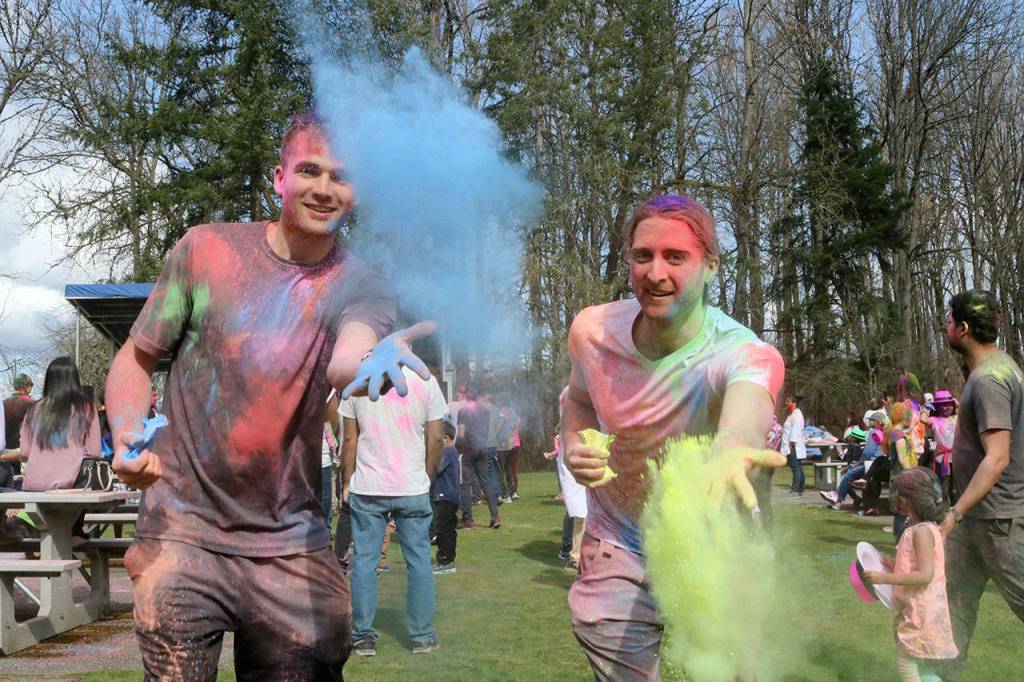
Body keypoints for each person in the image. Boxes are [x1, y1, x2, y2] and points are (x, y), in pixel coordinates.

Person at [105, 112, 434, 680]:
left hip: (291, 543)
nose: (325, 188)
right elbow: (136, 358)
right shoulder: (206, 251)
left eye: (342, 176)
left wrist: (372, 359)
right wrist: (129, 434)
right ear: (278, 178)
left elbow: (343, 363)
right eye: (309, 170)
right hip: (183, 531)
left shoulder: (364, 284)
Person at [563, 194, 785, 680]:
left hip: (714, 543)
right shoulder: (593, 332)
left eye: (675, 257)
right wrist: (576, 442)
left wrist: (731, 448)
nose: (655, 273)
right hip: (618, 542)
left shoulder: (743, 352)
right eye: (643, 256)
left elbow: (748, 406)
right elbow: (578, 398)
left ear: (710, 267)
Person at [937, 290, 1024, 681]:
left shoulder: (991, 378)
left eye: (950, 320)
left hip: (998, 520)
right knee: (952, 604)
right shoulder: (989, 371)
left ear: (964, 328)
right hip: (977, 520)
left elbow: (998, 456)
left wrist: (956, 512)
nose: (946, 326)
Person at [340, 365, 447, 656]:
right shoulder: (426, 381)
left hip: (368, 486)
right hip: (411, 486)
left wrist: (346, 481)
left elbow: (349, 440)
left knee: (364, 562)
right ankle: (422, 636)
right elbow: (436, 438)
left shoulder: (359, 378)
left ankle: (363, 636)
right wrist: (427, 475)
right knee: (419, 562)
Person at [863, 468, 958, 682]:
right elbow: (920, 564)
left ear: (905, 501)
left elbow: (925, 575)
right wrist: (895, 564)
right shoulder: (924, 528)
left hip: (922, 609)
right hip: (919, 605)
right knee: (917, 661)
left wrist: (884, 578)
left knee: (907, 662)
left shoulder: (922, 532)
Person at [20, 357, 101, 492]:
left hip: (34, 487)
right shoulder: (86, 408)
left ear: (49, 380)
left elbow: (24, 452)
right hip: (70, 486)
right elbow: (94, 451)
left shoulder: (34, 408)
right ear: (75, 380)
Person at [457, 383, 501, 529]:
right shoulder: (485, 411)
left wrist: (457, 448)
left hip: (468, 449)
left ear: (467, 396)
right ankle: (495, 517)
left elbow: (462, 434)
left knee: (465, 484)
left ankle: (468, 519)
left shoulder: (463, 411)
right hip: (484, 448)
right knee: (486, 482)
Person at [431, 420, 461, 574]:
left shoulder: (449, 451)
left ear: (445, 437)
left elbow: (437, 468)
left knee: (443, 529)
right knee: (445, 528)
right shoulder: (450, 451)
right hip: (445, 495)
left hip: (446, 496)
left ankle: (446, 560)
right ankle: (446, 559)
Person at [820, 426, 871, 510]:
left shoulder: (855, 447)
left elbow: (854, 462)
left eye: (850, 436)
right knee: (846, 484)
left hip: (854, 469)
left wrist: (846, 469)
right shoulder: (852, 446)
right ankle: (855, 498)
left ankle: (837, 500)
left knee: (845, 481)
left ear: (854, 438)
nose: (847, 437)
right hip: (852, 469)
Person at [1, 373, 34, 487]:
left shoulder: (3, 403)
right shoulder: (31, 404)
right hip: (22, 453)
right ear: (26, 386)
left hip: (4, 452)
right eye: (31, 385)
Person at [781, 395, 807, 496]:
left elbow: (795, 430)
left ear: (794, 403)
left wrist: (792, 443)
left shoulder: (797, 415)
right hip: (792, 445)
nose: (786, 403)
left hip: (794, 446)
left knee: (795, 468)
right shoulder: (791, 415)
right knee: (798, 467)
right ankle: (801, 488)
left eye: (788, 401)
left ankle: (796, 489)